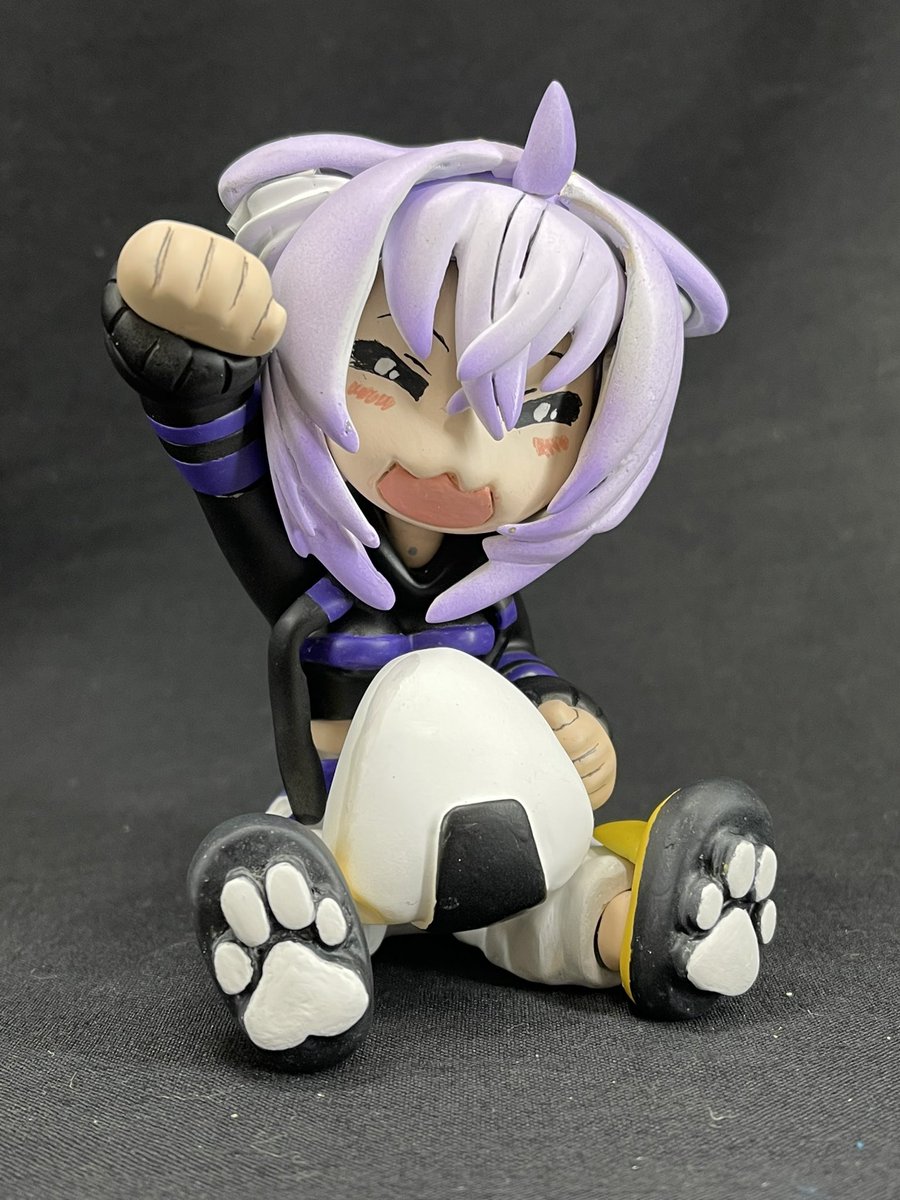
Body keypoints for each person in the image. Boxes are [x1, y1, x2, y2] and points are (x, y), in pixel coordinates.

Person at [103, 83, 777, 1071]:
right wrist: (183, 353)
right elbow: (219, 455)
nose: (458, 458)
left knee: (560, 886)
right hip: (344, 827)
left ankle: (646, 925)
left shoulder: (483, 592)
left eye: (543, 411)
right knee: (300, 861)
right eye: (394, 370)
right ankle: (293, 944)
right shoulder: (314, 565)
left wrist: (564, 721)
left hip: (500, 835)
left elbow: (519, 664)